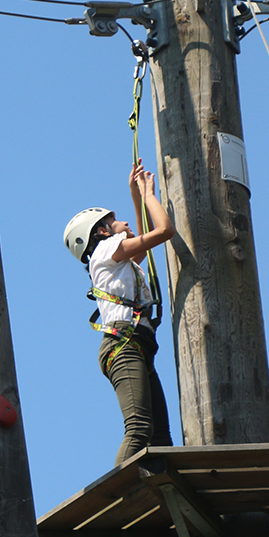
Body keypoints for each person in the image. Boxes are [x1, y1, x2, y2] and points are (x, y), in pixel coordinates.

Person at [63, 163, 177, 466]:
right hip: (124, 347)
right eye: (115, 222)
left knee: (161, 438)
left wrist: (136, 198)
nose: (125, 222)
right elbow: (164, 230)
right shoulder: (105, 251)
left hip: (134, 347)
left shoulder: (113, 260)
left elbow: (140, 249)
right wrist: (149, 194)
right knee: (140, 429)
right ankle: (119, 496)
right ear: (102, 231)